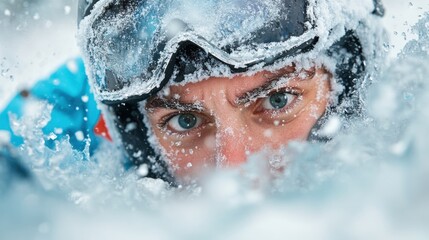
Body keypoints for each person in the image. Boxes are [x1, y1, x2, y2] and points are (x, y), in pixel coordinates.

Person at [0, 0, 386, 185]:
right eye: (184, 121)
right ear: (140, 141)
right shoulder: (51, 133)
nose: (236, 170)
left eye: (278, 100)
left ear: (347, 88)